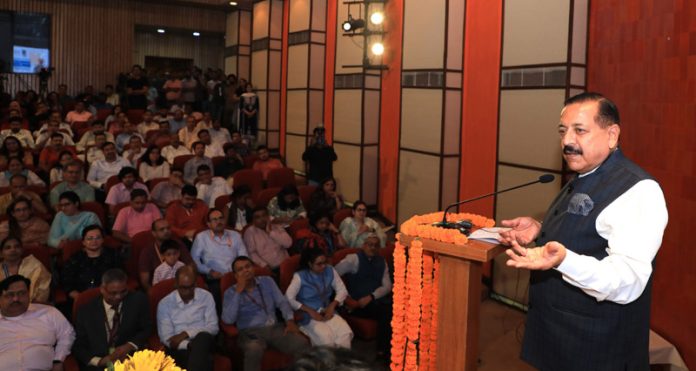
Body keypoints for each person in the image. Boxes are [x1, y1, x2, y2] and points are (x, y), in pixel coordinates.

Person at [498, 92, 669, 371]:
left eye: (580, 131)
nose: (567, 141)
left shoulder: (639, 191)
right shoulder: (586, 174)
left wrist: (564, 259)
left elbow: (628, 281)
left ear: (612, 135)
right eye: (563, 131)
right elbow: (589, 235)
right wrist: (542, 229)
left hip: (598, 352)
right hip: (558, 340)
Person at [222, 256, 308, 371]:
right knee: (254, 350)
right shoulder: (230, 292)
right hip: (250, 333)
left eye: (248, 266)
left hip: (275, 328)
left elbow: (282, 302)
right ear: (236, 275)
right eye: (240, 269)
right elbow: (228, 320)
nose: (246, 270)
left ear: (253, 268)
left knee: (301, 343)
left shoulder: (267, 281)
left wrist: (290, 320)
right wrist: (238, 292)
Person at [72, 269, 151, 371]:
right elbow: (78, 346)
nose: (118, 297)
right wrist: (99, 361)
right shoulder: (86, 312)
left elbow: (146, 328)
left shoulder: (138, 300)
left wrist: (130, 345)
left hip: (128, 358)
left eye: (123, 292)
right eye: (113, 293)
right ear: (102, 289)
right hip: (100, 361)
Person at [0, 275, 75, 370]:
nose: (16, 299)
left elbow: (67, 334)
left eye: (21, 293)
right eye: (10, 295)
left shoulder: (48, 312)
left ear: (29, 294)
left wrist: (58, 360)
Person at [335, 234, 392, 357]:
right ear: (363, 245)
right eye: (369, 244)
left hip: (373, 300)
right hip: (356, 304)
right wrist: (347, 298)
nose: (372, 248)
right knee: (387, 312)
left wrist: (371, 296)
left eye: (376, 245)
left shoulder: (382, 261)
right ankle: (383, 351)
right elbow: (333, 276)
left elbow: (387, 286)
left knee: (393, 309)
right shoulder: (353, 259)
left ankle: (389, 349)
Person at [285, 247, 352, 348]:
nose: (323, 266)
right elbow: (288, 298)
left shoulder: (330, 270)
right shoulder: (300, 276)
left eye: (325, 262)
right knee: (326, 338)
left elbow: (342, 290)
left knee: (345, 333)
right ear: (310, 264)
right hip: (309, 316)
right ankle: (329, 363)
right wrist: (309, 310)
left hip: (327, 311)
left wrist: (332, 305)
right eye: (319, 264)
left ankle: (343, 362)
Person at [157, 266, 218, 371]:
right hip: (181, 348)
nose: (189, 291)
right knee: (203, 359)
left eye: (192, 286)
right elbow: (167, 338)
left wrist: (186, 333)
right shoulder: (165, 304)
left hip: (206, 342)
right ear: (176, 285)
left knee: (203, 337)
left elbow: (213, 328)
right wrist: (189, 345)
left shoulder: (206, 296)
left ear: (195, 283)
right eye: (184, 288)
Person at [191, 208, 248, 305]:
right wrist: (209, 271)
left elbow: (244, 256)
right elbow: (194, 260)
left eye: (221, 218)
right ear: (208, 224)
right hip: (215, 277)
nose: (219, 221)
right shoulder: (201, 237)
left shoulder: (235, 235)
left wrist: (239, 271)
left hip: (236, 274)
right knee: (218, 295)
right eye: (215, 219)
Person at [62, 225, 123, 301]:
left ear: (102, 240)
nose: (94, 241)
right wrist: (82, 299)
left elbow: (120, 277)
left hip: (110, 297)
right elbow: (68, 285)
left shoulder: (113, 255)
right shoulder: (74, 259)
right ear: (83, 242)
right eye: (89, 239)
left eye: (98, 238)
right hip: (82, 299)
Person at [138, 219, 195, 292]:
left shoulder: (178, 244)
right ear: (154, 233)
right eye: (162, 229)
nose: (166, 231)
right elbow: (145, 281)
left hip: (182, 287)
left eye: (168, 228)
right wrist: (154, 295)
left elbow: (191, 266)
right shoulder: (147, 251)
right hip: (160, 289)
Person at [0, 237, 51, 303]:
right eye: (8, 247)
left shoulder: (34, 265)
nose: (13, 250)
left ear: (22, 250)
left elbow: (44, 289)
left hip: (33, 306)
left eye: (17, 246)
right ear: (1, 253)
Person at [243, 207, 292, 271]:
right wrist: (264, 265)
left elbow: (288, 244)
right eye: (258, 217)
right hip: (268, 269)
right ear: (253, 221)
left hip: (285, 264)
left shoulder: (276, 226)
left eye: (264, 215)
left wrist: (271, 232)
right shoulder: (249, 232)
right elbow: (251, 253)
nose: (262, 219)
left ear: (268, 216)